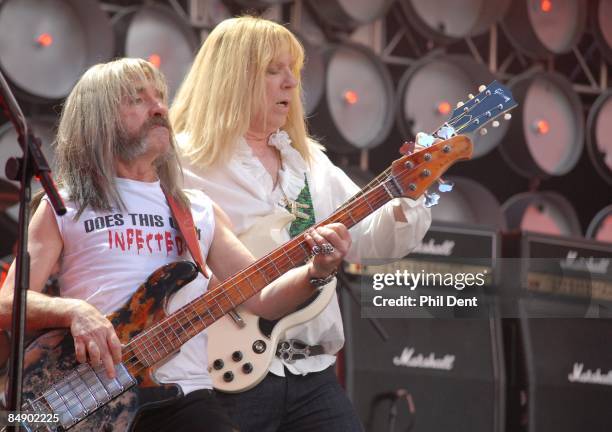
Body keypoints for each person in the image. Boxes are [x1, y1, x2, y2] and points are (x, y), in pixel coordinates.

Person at [0, 58, 351, 432]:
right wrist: (74, 312)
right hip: (87, 391)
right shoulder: (65, 205)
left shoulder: (196, 208)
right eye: (138, 100)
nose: (159, 108)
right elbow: (8, 304)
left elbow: (262, 298)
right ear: (98, 119)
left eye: (161, 98)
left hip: (184, 397)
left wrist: (317, 271)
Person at [170, 16, 432, 432]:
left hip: (311, 372)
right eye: (273, 71)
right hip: (223, 371)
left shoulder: (307, 162)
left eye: (293, 71)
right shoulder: (181, 161)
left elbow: (372, 240)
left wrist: (409, 196)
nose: (290, 83)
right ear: (231, 79)